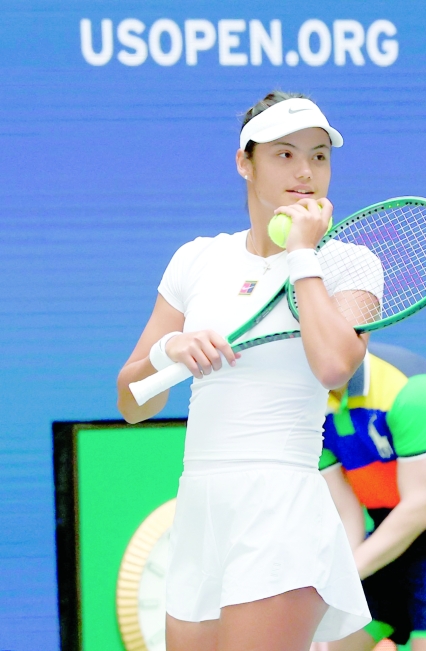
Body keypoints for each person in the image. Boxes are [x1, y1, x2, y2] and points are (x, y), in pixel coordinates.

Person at [116, 91, 379, 651]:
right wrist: (170, 351)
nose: (306, 171)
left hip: (281, 507)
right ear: (245, 163)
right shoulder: (197, 259)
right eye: (284, 154)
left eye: (319, 156)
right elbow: (133, 401)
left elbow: (334, 366)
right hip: (202, 509)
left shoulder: (350, 263)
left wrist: (303, 253)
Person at [314, 342, 426, 651]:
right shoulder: (305, 401)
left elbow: (420, 506)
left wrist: (344, 577)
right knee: (326, 643)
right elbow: (347, 513)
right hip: (386, 529)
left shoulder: (410, 387)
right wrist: (335, 585)